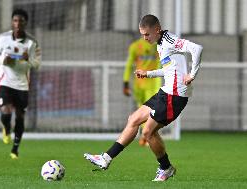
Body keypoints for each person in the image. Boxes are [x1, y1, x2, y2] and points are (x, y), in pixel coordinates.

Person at [84, 14, 203, 181]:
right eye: (142, 34)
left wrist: (192, 74)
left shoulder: (170, 40)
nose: (144, 38)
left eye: (147, 34)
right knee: (133, 119)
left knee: (148, 132)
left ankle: (165, 168)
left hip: (175, 95)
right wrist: (148, 74)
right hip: (166, 91)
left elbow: (197, 48)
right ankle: (106, 158)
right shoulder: (161, 43)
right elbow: (169, 70)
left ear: (157, 30)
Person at [0, 9, 41, 159]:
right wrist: (3, 60)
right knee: (5, 111)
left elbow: (37, 64)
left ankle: (15, 148)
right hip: (5, 79)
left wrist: (28, 59)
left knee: (20, 116)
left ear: (26, 23)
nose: (18, 24)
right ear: (12, 22)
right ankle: (6, 128)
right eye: (15, 21)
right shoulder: (3, 38)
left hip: (22, 83)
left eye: (21, 21)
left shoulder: (32, 42)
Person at [123, 38, 161, 146]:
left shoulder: (135, 46)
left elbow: (129, 65)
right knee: (151, 110)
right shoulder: (159, 45)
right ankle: (146, 135)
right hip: (152, 83)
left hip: (139, 83)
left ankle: (145, 135)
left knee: (142, 108)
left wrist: (125, 83)